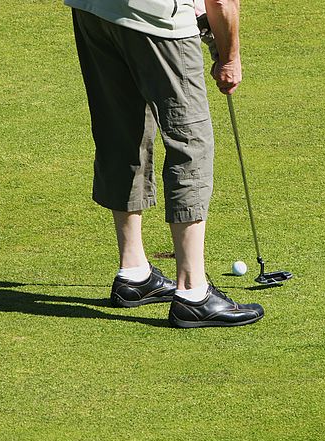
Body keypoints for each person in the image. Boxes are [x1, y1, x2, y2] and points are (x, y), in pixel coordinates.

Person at [64, 0, 264, 328]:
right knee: (190, 143)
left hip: (92, 10)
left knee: (120, 129)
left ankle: (134, 273)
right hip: (158, 18)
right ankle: (193, 292)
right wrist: (230, 57)